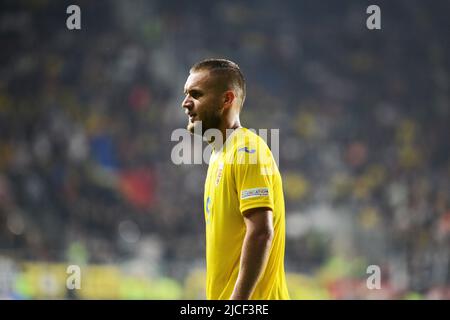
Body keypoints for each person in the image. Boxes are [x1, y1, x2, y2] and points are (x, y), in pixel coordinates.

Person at [181, 58, 290, 300]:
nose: (185, 103)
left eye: (195, 94)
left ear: (226, 99)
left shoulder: (248, 150)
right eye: (186, 94)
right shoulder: (219, 157)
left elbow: (261, 232)